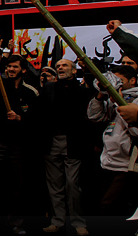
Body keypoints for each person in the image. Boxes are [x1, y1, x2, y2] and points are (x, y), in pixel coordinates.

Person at [0, 52, 38, 236]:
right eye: (9, 66)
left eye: (15, 67)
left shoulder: (30, 92)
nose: (11, 69)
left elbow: (37, 119)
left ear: (23, 70)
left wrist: (20, 117)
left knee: (16, 185)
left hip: (17, 145)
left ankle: (16, 223)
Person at [37, 59, 96, 235]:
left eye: (64, 65)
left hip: (74, 143)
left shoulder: (82, 91)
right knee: (55, 185)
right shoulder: (48, 88)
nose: (60, 68)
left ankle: (78, 222)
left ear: (74, 70)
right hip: (52, 141)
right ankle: (58, 221)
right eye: (58, 66)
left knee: (73, 184)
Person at [87, 66, 138, 216]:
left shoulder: (136, 99)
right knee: (100, 204)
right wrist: (101, 95)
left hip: (125, 165)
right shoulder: (111, 98)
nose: (116, 85)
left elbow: (136, 131)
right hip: (107, 162)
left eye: (119, 81)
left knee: (109, 206)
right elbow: (94, 116)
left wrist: (119, 103)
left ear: (132, 81)